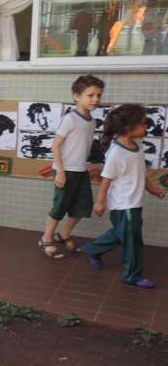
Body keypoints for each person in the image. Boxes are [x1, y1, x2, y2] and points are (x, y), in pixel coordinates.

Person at [83, 104, 165, 289]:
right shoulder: (117, 153)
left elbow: (139, 172)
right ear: (129, 127)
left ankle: (93, 250)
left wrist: (151, 189)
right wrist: (100, 202)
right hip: (125, 205)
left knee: (122, 234)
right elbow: (106, 179)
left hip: (132, 204)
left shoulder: (137, 146)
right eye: (144, 124)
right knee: (133, 241)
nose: (147, 127)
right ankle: (133, 276)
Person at [38, 75, 104, 258]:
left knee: (83, 206)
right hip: (65, 170)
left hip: (81, 170)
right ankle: (46, 239)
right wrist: (60, 171)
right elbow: (56, 145)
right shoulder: (70, 119)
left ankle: (64, 234)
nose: (96, 99)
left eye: (98, 95)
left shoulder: (92, 121)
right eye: (90, 95)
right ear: (76, 96)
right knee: (60, 206)